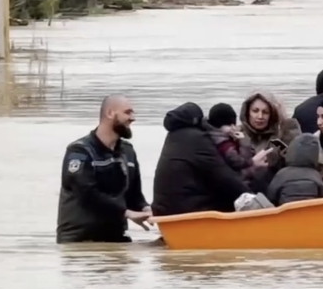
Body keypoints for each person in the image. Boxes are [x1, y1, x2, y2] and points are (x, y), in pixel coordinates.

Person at [56, 94, 151, 243]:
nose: (133, 118)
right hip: (79, 240)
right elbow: (87, 194)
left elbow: (134, 195)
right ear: (109, 113)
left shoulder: (128, 151)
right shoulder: (79, 151)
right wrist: (125, 212)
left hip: (115, 237)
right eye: (127, 112)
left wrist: (146, 209)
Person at [152, 102, 250, 216]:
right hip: (185, 211)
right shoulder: (197, 139)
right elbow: (224, 176)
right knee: (230, 200)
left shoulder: (173, 137)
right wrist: (253, 199)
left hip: (164, 209)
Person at [266, 133, 323, 206]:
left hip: (285, 214)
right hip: (311, 213)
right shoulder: (315, 175)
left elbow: (271, 195)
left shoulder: (282, 174)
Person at [207, 102, 265, 175]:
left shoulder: (210, 135)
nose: (233, 127)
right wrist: (244, 142)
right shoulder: (224, 144)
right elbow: (241, 163)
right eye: (230, 125)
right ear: (219, 125)